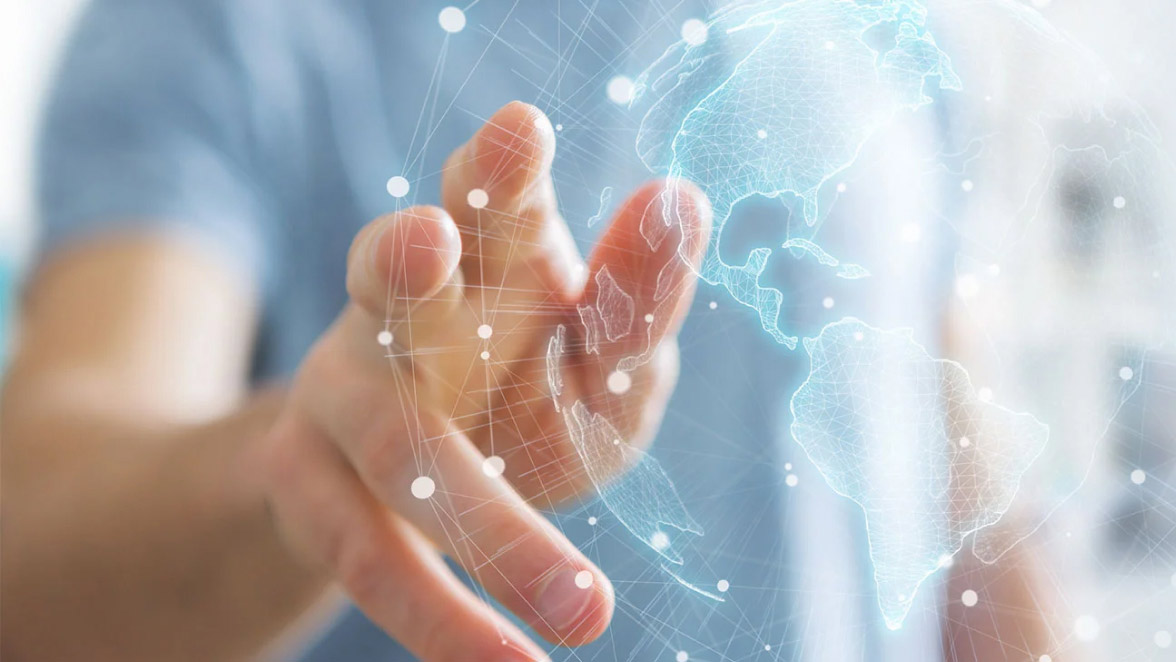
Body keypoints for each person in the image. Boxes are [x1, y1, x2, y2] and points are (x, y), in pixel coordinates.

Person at [2, 1, 1054, 661]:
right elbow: (30, 567)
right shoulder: (218, 26)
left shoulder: (888, 31)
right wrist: (305, 458)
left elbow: (956, 464)